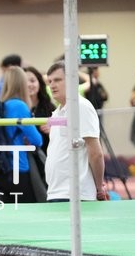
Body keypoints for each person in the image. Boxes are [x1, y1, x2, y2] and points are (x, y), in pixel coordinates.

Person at [44, 62, 106, 202]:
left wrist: (99, 187)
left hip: (76, 194)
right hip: (56, 192)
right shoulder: (57, 113)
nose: (52, 85)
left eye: (58, 80)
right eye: (50, 81)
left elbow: (96, 153)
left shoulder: (81, 106)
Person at [0, 66, 43, 203]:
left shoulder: (3, 105)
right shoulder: (19, 106)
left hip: (2, 168)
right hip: (18, 167)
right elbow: (37, 140)